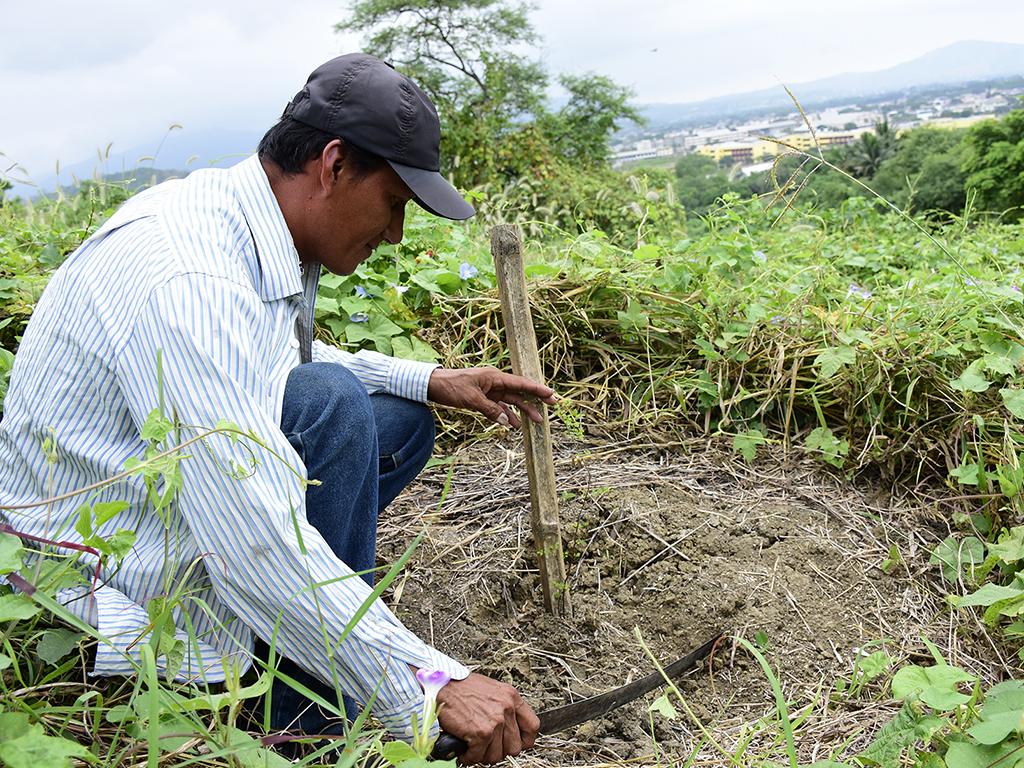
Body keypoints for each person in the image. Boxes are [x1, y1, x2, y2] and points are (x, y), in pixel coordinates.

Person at [0, 53, 545, 764]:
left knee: (395, 421)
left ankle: (308, 644)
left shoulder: (247, 222)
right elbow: (248, 535)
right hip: (99, 567)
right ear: (335, 164)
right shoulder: (187, 272)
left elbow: (265, 356)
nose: (394, 235)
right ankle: (304, 730)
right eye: (395, 205)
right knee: (334, 412)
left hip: (167, 491)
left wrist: (429, 378)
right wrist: (429, 679)